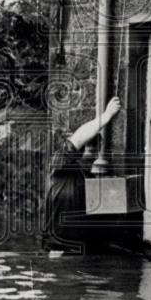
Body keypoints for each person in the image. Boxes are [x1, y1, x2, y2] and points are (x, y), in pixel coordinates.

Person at [43, 96, 122, 255]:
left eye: (95, 152)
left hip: (81, 251)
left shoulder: (89, 178)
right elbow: (78, 138)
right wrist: (107, 116)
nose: (92, 156)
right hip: (57, 249)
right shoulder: (60, 163)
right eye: (89, 151)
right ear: (79, 152)